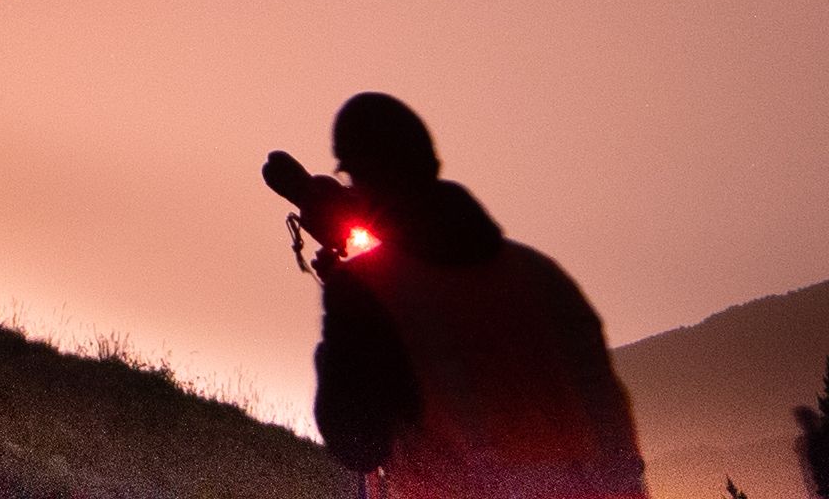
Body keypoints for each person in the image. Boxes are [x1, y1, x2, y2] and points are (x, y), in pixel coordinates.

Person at [270, 92, 647, 498]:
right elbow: (614, 426)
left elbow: (357, 439)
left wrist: (340, 332)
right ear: (430, 161)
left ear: (361, 178)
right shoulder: (543, 277)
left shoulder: (366, 291)